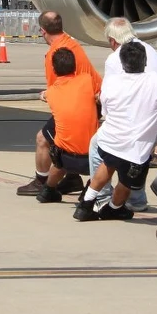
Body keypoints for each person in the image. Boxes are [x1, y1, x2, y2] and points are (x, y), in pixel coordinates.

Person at [73, 41, 157, 221]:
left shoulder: (111, 81)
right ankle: (114, 208)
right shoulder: (155, 80)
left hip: (109, 138)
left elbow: (106, 111)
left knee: (107, 165)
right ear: (144, 61)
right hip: (136, 147)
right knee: (126, 181)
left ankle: (86, 204)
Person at [16, 11, 102, 196]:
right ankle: (72, 178)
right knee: (69, 140)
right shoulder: (71, 43)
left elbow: (58, 90)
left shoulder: (55, 54)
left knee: (43, 139)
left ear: (42, 30)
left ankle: (41, 180)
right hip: (94, 99)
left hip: (82, 102)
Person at [87, 17, 157, 211]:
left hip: (134, 122)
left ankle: (103, 197)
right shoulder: (149, 49)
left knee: (98, 148)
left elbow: (110, 95)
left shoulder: (116, 58)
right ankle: (136, 199)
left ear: (113, 41)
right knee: (137, 157)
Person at [34, 48, 99, 204]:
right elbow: (99, 94)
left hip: (65, 158)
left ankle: (48, 190)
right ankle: (90, 189)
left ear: (54, 70)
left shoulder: (52, 93)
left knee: (59, 155)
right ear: (75, 66)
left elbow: (43, 95)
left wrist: (42, 94)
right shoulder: (87, 80)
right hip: (90, 158)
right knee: (110, 158)